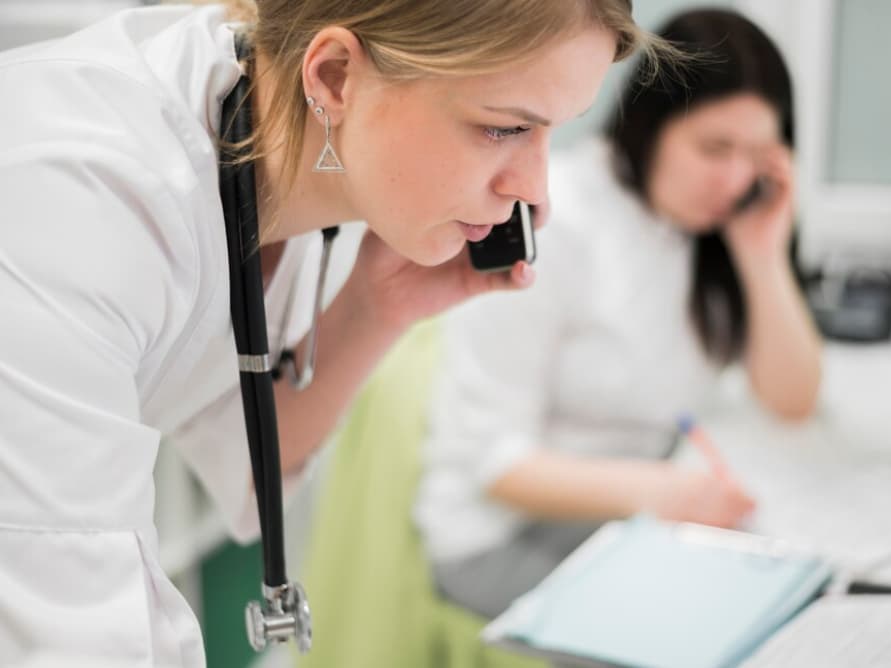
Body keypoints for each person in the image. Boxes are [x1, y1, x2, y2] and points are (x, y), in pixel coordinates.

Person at [0, 0, 667, 664]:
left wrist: (374, 311)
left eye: (555, 132)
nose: (534, 191)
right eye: (504, 129)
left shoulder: (323, 155)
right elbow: (73, 636)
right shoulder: (72, 204)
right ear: (336, 76)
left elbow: (247, 460)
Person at [414, 8, 824, 620]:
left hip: (633, 505)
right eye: (716, 148)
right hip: (503, 536)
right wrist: (665, 494)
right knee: (722, 621)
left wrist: (761, 257)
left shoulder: (709, 232)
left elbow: (792, 401)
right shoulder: (561, 224)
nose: (736, 179)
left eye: (758, 157)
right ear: (652, 127)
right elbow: (494, 463)